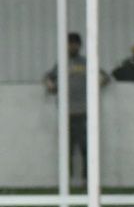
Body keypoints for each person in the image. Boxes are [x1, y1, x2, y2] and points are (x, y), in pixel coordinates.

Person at [44, 32, 110, 187]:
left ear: (79, 45)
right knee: (67, 148)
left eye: (74, 43)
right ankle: (67, 180)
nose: (72, 46)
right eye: (69, 43)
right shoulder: (61, 64)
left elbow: (105, 77)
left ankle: (87, 180)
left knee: (86, 147)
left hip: (85, 112)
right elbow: (48, 78)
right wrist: (51, 85)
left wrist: (95, 86)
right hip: (66, 113)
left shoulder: (87, 62)